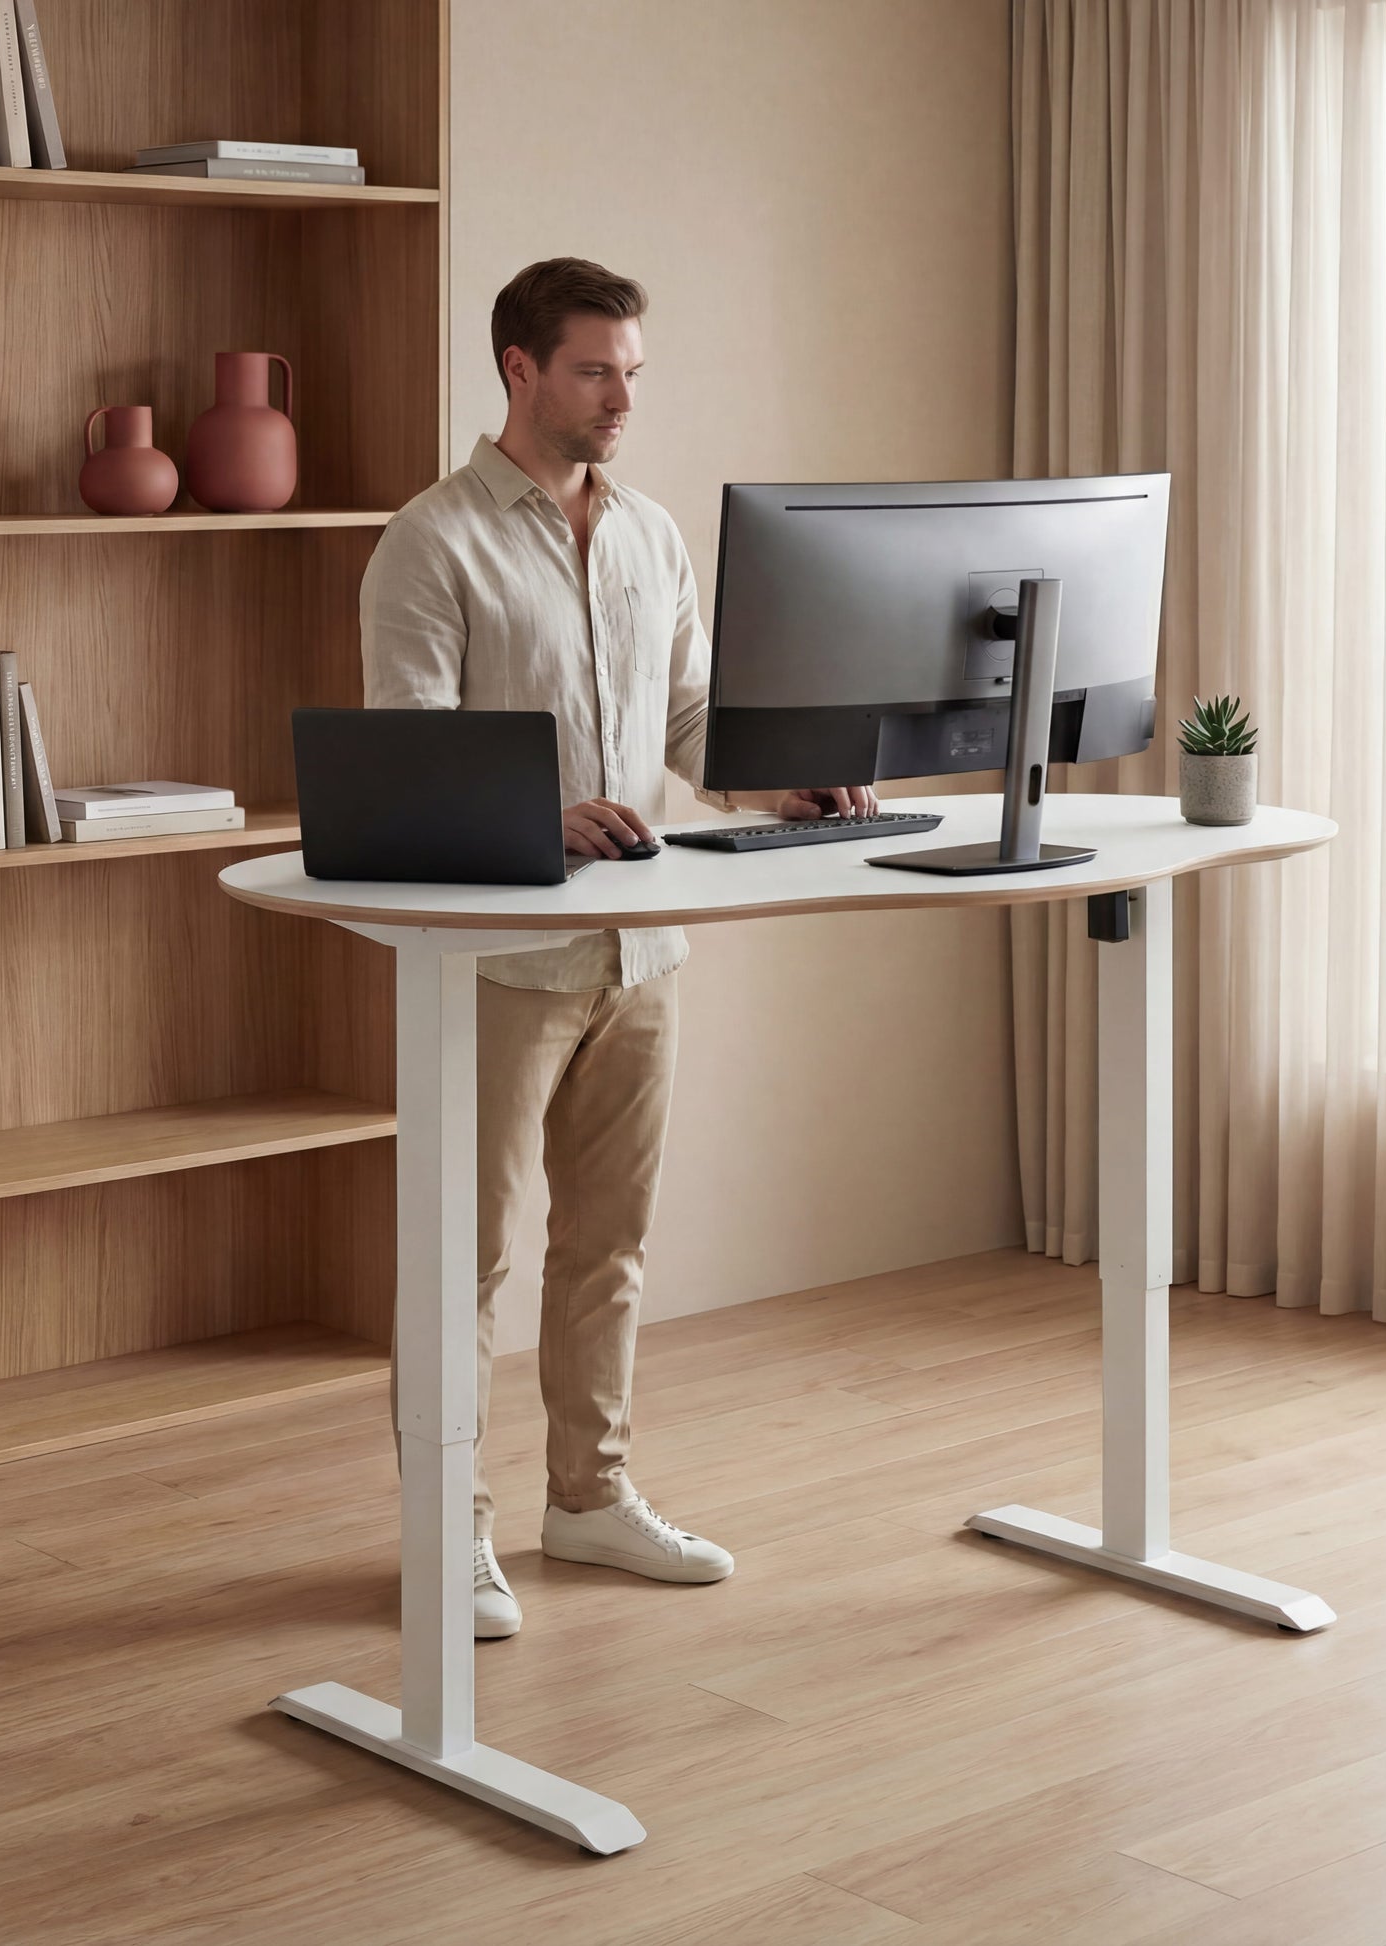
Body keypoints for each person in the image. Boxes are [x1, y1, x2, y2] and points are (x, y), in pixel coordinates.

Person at [359, 257, 876, 1638]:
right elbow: (404, 761)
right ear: (519, 369)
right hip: (496, 959)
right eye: (595, 370)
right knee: (463, 1256)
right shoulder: (430, 542)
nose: (620, 398)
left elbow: (688, 717)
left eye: (633, 372)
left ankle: (585, 1500)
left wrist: (784, 783)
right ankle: (443, 1529)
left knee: (610, 1248)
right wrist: (540, 810)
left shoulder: (651, 535)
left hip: (640, 949)